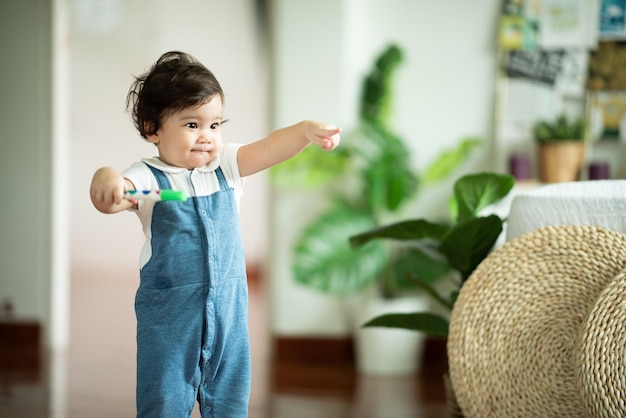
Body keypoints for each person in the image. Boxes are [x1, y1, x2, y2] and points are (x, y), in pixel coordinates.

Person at [90, 51, 340, 418]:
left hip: (229, 315)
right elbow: (113, 197)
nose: (206, 137)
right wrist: (107, 179)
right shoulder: (149, 178)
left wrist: (303, 131)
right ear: (152, 129)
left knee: (229, 400)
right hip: (170, 320)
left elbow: (270, 147)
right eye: (192, 125)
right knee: (164, 399)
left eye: (215, 125)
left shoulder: (225, 167)